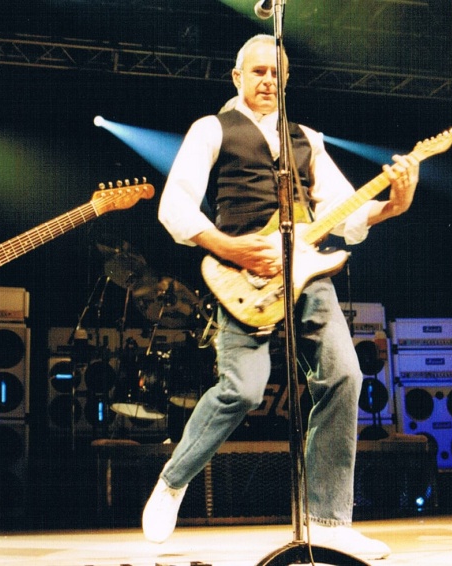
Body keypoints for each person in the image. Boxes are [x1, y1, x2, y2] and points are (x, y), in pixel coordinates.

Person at [145, 33, 420, 560]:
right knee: (243, 390)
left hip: (307, 273)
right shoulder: (212, 129)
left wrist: (392, 205)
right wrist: (231, 247)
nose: (268, 80)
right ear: (237, 77)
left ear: (287, 79)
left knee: (344, 376)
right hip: (242, 276)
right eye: (258, 71)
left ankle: (327, 520)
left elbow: (345, 210)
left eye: (276, 73)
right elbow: (174, 206)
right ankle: (173, 481)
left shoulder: (306, 138)